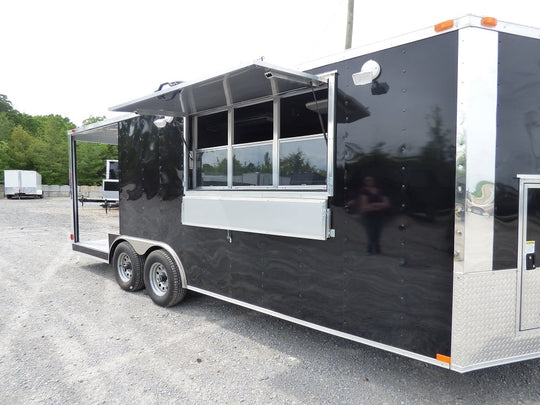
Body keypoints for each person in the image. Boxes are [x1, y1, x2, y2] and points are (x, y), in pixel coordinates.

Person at [358, 176, 390, 254]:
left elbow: (386, 204)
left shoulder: (379, 191)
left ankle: (377, 249)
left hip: (379, 216)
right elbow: (364, 206)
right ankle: (370, 249)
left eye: (371, 180)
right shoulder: (364, 191)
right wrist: (379, 206)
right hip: (368, 216)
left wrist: (374, 205)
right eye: (367, 180)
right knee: (370, 233)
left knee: (378, 233)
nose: (369, 182)